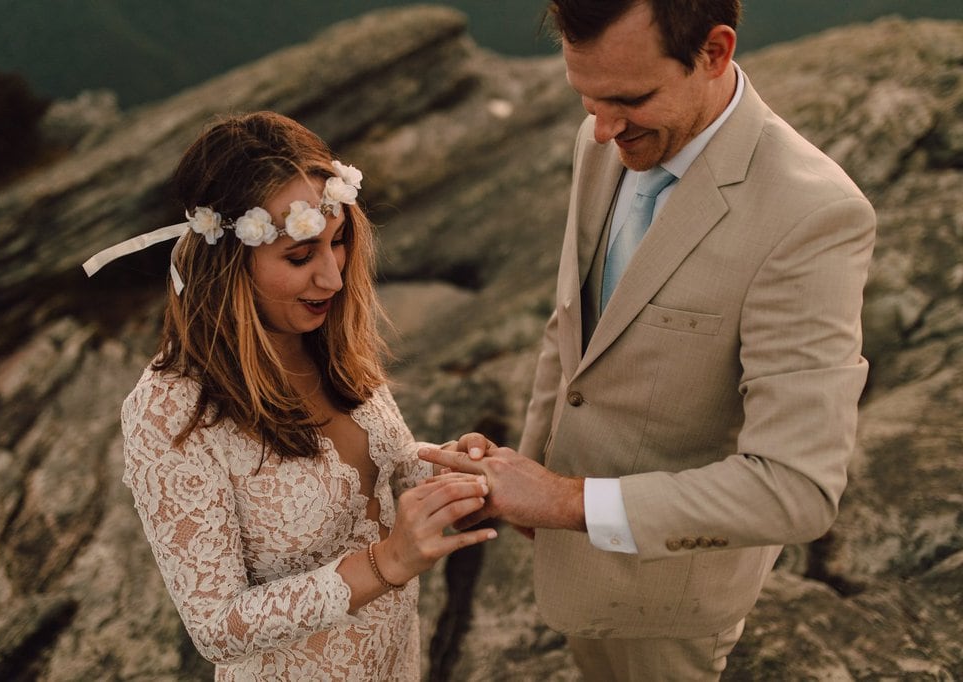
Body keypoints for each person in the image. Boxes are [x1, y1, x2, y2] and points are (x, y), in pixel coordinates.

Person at [420, 1, 876, 679]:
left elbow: (797, 488)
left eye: (630, 98)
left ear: (715, 52)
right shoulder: (602, 140)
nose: (601, 129)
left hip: (671, 603)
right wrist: (527, 473)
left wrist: (566, 501)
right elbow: (573, 326)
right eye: (587, 97)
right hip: (574, 566)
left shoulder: (812, 215)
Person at [83, 111, 496, 680]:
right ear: (227, 264)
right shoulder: (170, 410)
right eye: (300, 257)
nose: (332, 277)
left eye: (338, 243)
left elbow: (377, 485)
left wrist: (452, 472)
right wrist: (388, 562)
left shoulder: (329, 343)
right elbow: (217, 628)